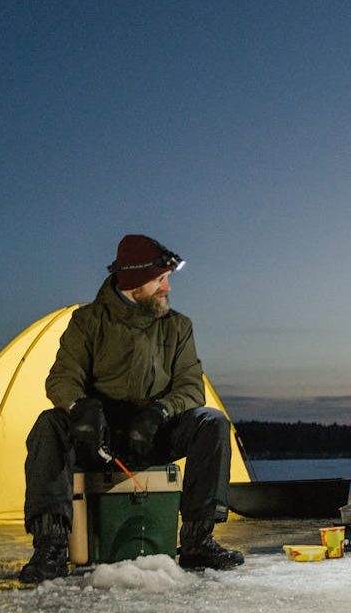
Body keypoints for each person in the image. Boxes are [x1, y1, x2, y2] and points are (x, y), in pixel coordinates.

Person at [19, 234, 244, 582]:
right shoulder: (87, 322)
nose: (167, 288)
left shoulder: (178, 326)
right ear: (135, 282)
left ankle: (199, 541)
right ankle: (50, 547)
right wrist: (81, 409)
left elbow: (190, 386)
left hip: (152, 432)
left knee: (211, 423)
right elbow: (61, 378)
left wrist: (160, 412)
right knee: (49, 425)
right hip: (100, 438)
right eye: (160, 280)